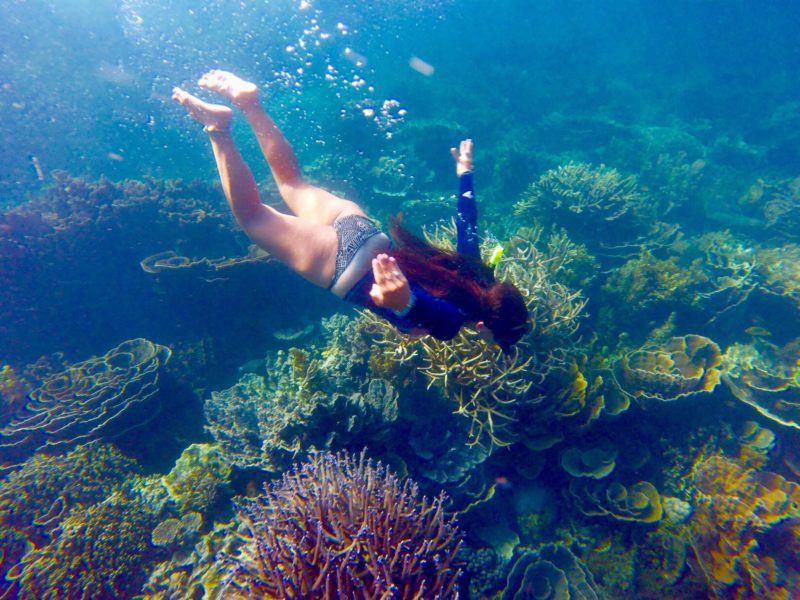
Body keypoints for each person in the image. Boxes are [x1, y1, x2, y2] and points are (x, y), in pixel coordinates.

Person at [172, 70, 530, 350]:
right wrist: (405, 304)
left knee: (292, 183)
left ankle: (250, 103)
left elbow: (468, 223)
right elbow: (431, 311)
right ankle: (219, 129)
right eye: (491, 339)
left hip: (366, 232)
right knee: (253, 217)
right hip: (346, 267)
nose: (485, 341)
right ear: (484, 327)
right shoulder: (455, 322)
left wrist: (465, 174)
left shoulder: (476, 271)